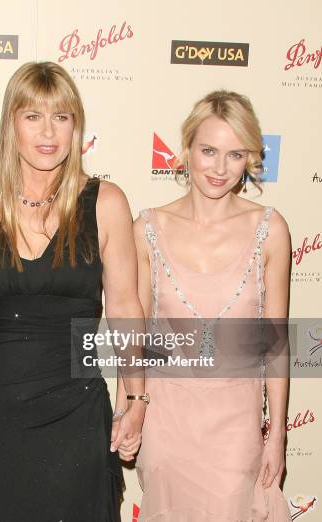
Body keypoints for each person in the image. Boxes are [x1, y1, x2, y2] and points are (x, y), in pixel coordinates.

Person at [0, 61, 145, 522]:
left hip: (76, 416)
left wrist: (135, 400)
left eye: (61, 117)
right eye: (33, 117)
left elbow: (126, 310)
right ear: (11, 125)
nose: (48, 132)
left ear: (75, 127)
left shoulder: (105, 204)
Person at [134, 90, 291, 520]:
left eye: (235, 154)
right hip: (167, 421)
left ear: (250, 158)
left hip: (235, 425)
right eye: (208, 151)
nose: (220, 168)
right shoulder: (148, 228)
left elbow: (275, 345)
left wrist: (276, 434)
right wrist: (128, 409)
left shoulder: (269, 229)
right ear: (186, 149)